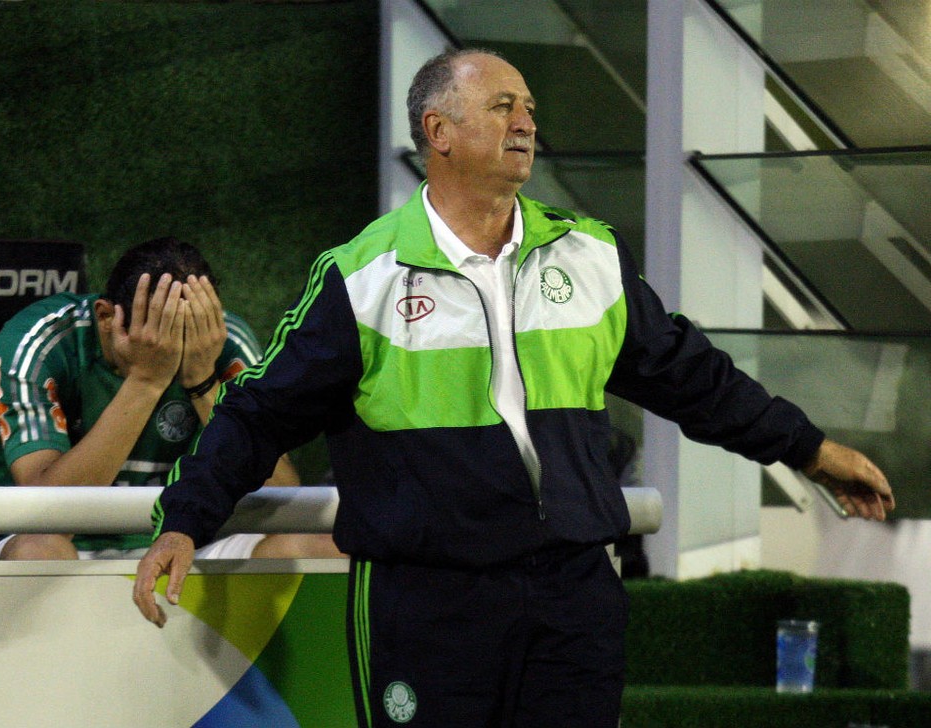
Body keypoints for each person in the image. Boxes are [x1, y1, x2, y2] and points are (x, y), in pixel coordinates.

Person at [133, 50, 895, 727]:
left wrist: (811, 451)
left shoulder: (590, 255)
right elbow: (258, 412)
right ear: (439, 131)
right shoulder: (360, 276)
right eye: (503, 106)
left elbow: (693, 378)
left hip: (574, 596)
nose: (527, 120)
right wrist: (184, 520)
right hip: (429, 603)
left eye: (529, 107)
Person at [0, 236, 340, 561]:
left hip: (184, 544)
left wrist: (201, 381)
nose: (171, 350)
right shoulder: (42, 340)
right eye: (154, 337)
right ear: (106, 317)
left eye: (184, 334)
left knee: (325, 546)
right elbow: (45, 514)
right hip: (55, 544)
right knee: (39, 550)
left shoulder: (221, 345)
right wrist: (147, 381)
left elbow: (282, 496)